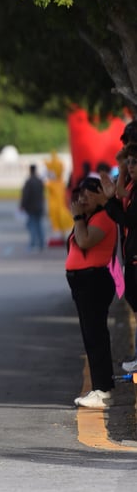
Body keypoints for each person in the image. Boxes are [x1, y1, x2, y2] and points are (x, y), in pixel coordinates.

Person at [66, 176, 118, 409]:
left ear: (101, 195)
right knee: (90, 334)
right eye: (81, 194)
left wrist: (78, 218)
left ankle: (103, 389)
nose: (83, 198)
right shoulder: (90, 218)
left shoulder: (104, 217)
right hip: (83, 282)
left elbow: (85, 241)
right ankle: (100, 387)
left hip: (94, 281)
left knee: (95, 334)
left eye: (89, 194)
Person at [103, 141, 137, 373]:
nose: (130, 166)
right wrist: (122, 170)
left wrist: (109, 204)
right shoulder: (132, 185)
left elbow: (129, 219)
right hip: (130, 255)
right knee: (133, 302)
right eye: (129, 162)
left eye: (135, 162)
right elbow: (121, 193)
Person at [20, 164, 46, 252]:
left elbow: (25, 195)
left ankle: (33, 243)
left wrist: (22, 205)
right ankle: (41, 243)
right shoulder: (39, 181)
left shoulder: (29, 181)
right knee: (39, 225)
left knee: (31, 225)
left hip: (31, 207)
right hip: (39, 206)